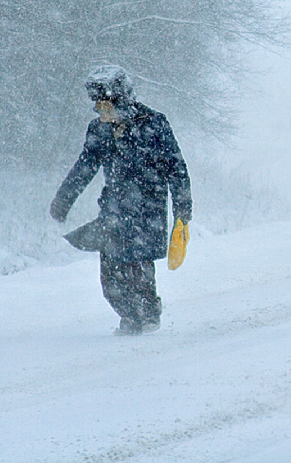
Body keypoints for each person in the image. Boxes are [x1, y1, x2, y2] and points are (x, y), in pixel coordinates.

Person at [50, 65, 192, 335]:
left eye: (106, 106)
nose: (101, 113)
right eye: (97, 107)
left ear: (122, 101)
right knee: (110, 278)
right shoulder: (98, 131)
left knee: (138, 268)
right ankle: (129, 316)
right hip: (113, 211)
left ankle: (148, 314)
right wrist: (63, 199)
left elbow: (177, 169)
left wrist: (182, 210)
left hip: (147, 211)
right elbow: (84, 167)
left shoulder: (155, 124)